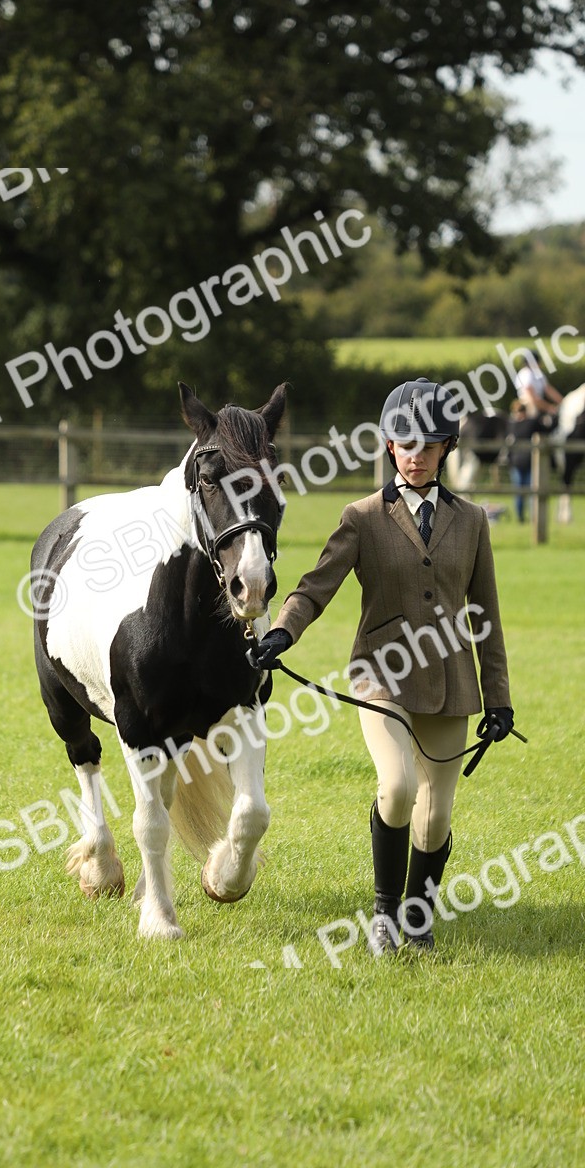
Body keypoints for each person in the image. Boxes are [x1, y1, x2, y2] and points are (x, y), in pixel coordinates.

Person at [249, 378, 515, 955]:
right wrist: (280, 632)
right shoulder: (362, 517)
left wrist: (499, 699)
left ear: (447, 448)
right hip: (382, 675)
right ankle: (386, 915)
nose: (415, 455)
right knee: (396, 786)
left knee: (436, 815)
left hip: (451, 682)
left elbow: (485, 615)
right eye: (403, 443)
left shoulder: (471, 522)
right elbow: (316, 587)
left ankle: (419, 916)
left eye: (427, 445)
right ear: (388, 447)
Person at [506, 398, 543, 523]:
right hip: (521, 463)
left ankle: (531, 518)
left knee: (528, 492)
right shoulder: (524, 423)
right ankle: (523, 518)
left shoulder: (514, 424)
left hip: (526, 462)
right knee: (523, 492)